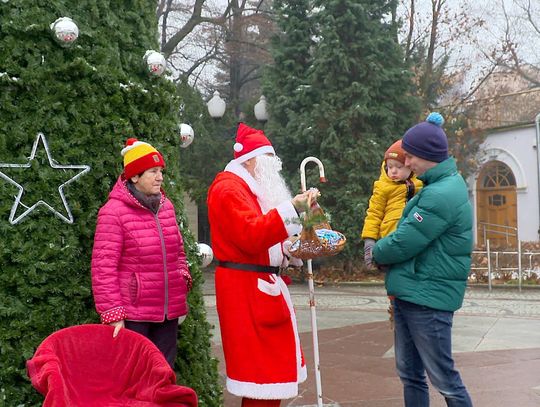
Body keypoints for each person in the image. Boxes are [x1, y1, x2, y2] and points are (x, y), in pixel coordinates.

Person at [207, 123, 315, 407]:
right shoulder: (228, 189)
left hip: (257, 289)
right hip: (247, 293)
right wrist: (291, 209)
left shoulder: (247, 189)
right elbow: (251, 235)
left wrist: (291, 249)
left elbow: (264, 238)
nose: (274, 168)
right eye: (270, 160)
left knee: (270, 377)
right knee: (261, 378)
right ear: (251, 159)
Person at [372, 112, 474, 407]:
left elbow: (404, 242)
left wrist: (376, 251)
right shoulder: (438, 185)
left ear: (426, 155)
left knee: (445, 380)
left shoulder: (439, 194)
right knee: (411, 375)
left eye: (410, 157)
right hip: (414, 293)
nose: (406, 163)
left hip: (427, 299)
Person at [91, 138, 192, 369]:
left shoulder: (166, 207)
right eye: (153, 171)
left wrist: (182, 274)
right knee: (137, 376)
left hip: (168, 312)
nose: (160, 177)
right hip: (135, 315)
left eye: (161, 171)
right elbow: (103, 268)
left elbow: (178, 250)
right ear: (134, 176)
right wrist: (113, 313)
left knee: (164, 374)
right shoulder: (113, 213)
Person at [361, 139, 422, 268]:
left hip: (414, 236)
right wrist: (369, 241)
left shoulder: (421, 184)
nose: (393, 171)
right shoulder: (383, 187)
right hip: (391, 237)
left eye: (399, 167)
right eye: (389, 167)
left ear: (410, 167)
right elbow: (374, 214)